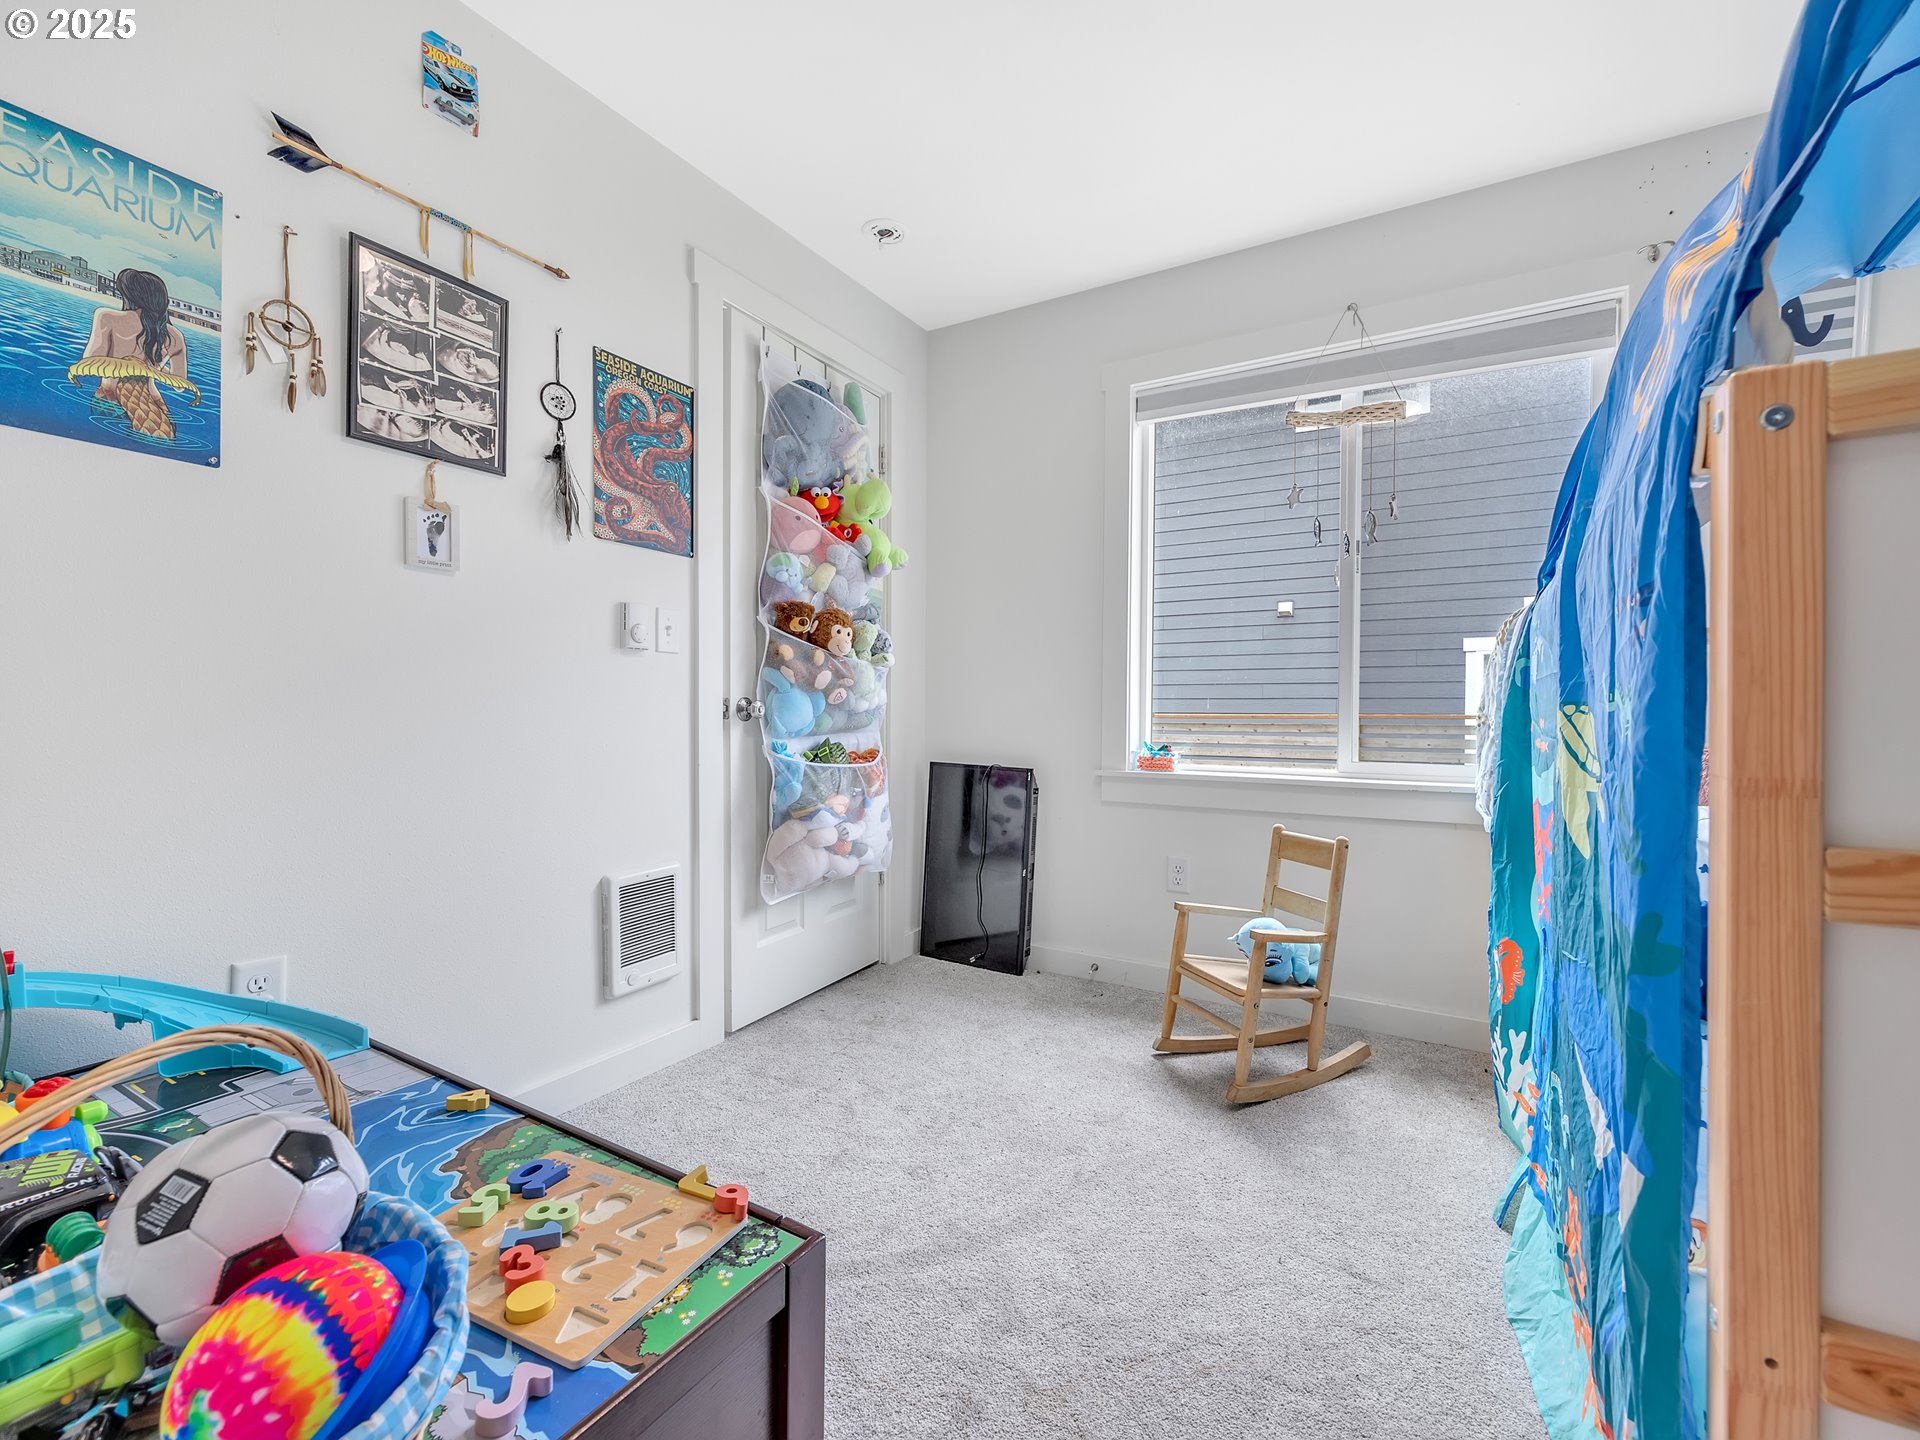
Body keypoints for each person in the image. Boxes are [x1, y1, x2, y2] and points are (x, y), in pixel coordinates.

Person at [68, 269, 197, 439]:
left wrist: (130, 364)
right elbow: (179, 385)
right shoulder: (175, 336)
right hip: (157, 412)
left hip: (110, 402)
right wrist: (149, 368)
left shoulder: (106, 317)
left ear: (129, 295)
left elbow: (90, 362)